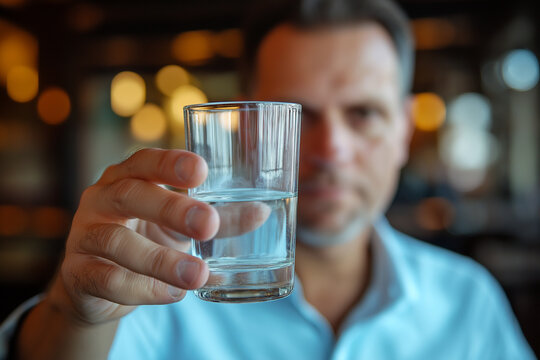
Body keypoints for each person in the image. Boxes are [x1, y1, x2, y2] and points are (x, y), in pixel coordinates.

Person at [1, 0, 536, 359]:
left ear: (402, 130)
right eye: (298, 117)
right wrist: (77, 314)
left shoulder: (467, 300)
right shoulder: (165, 285)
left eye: (364, 114)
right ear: (249, 135)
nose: (330, 151)